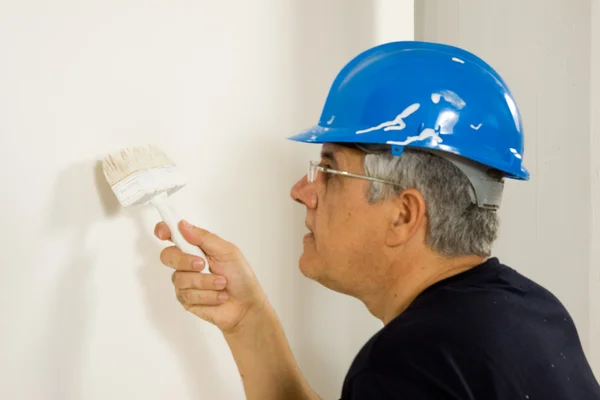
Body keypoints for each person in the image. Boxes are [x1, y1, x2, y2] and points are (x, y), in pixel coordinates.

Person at [154, 41, 600, 399]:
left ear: (403, 214)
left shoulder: (411, 363)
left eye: (327, 171)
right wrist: (248, 319)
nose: (300, 191)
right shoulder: (531, 311)